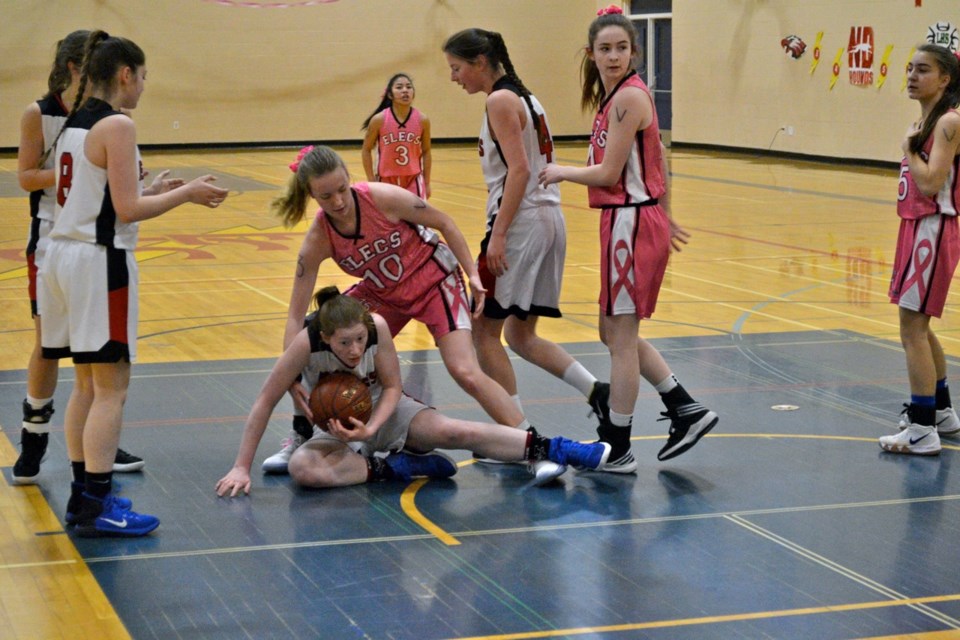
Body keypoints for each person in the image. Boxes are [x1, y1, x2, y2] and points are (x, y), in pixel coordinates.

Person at [262, 145, 565, 483]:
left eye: (341, 190)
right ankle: (303, 433)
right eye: (325, 196)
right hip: (384, 293)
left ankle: (535, 448)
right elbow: (294, 316)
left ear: (351, 179)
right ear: (312, 196)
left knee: (465, 371)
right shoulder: (319, 238)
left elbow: (445, 223)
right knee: (318, 333)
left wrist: (473, 275)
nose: (337, 202)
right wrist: (292, 376)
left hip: (434, 280)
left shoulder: (381, 198)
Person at [38, 30, 228, 536]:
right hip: (98, 264)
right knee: (111, 390)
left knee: (85, 384)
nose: (143, 88)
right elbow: (125, 210)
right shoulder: (118, 124)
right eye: (143, 78)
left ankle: (85, 495)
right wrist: (186, 193)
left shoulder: (76, 121)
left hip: (60, 255)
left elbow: (97, 196)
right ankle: (97, 502)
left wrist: (151, 188)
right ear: (126, 74)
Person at [538, 6, 718, 471]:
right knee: (611, 330)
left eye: (621, 48)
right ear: (591, 54)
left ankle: (617, 445)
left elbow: (608, 172)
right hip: (632, 219)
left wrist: (559, 172)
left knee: (620, 338)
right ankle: (684, 406)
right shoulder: (616, 97)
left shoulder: (629, 99)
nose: (614, 56)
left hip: (630, 223)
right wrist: (665, 209)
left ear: (634, 51)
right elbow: (655, 155)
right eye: (605, 49)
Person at [215, 287, 609, 496]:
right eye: (344, 344)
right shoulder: (305, 343)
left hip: (385, 411)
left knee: (456, 432)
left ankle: (558, 448)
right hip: (334, 426)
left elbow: (392, 387)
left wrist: (372, 431)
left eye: (358, 340)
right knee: (303, 469)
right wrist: (240, 466)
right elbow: (265, 400)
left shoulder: (378, 328)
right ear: (324, 338)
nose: (354, 351)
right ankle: (398, 468)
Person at [442, 29, 610, 459]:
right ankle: (596, 391)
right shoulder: (528, 98)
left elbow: (518, 171)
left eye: (456, 68)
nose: (454, 77)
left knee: (483, 332)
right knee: (520, 334)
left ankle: (520, 438)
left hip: (519, 225)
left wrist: (498, 235)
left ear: (480, 61)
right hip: (549, 218)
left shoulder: (499, 100)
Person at [12, 30, 144, 485]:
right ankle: (36, 437)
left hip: (79, 235)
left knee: (93, 378)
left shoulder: (93, 120)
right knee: (65, 358)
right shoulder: (52, 115)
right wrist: (97, 167)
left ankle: (93, 457)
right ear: (76, 68)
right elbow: (26, 175)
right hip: (61, 239)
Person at [880, 45, 960, 456]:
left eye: (923, 70)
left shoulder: (949, 121)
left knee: (911, 330)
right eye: (910, 68)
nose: (912, 75)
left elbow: (931, 183)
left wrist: (911, 149)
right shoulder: (929, 118)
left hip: (932, 228)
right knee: (920, 327)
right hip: (916, 227)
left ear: (945, 79)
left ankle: (922, 430)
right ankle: (941, 412)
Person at [360, 73, 431, 199]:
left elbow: (426, 151)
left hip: (413, 179)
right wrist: (371, 180)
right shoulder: (379, 120)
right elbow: (366, 149)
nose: (405, 90)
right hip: (386, 180)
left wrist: (426, 182)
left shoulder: (422, 120)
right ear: (390, 94)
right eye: (399, 87)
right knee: (387, 218)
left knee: (417, 218)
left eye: (409, 87)